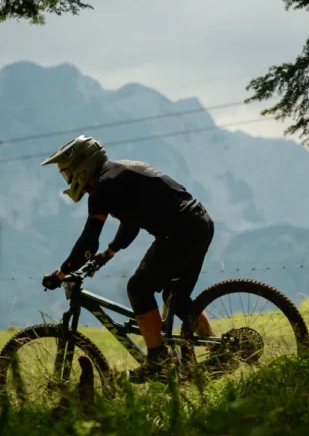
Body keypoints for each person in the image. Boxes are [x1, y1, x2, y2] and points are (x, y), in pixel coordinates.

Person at [41, 134, 216, 382]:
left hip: (179, 232)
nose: (68, 180)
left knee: (138, 287)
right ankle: (219, 348)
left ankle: (159, 361)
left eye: (67, 173)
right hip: (198, 223)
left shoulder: (102, 186)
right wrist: (109, 253)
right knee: (173, 296)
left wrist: (61, 273)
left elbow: (89, 239)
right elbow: (131, 222)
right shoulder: (117, 172)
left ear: (82, 164)